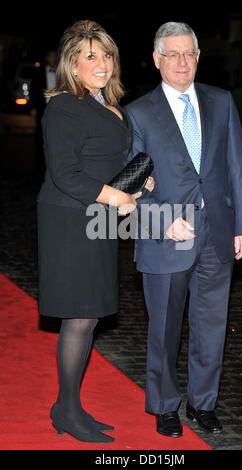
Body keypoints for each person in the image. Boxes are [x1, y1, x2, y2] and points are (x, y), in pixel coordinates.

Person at [125, 22, 242, 437]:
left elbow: (237, 166)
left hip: (218, 234)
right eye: (172, 54)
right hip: (167, 237)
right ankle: (165, 406)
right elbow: (127, 188)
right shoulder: (139, 113)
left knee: (211, 325)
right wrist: (164, 218)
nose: (182, 62)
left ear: (198, 57)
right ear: (156, 60)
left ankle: (203, 404)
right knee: (164, 328)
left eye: (189, 54)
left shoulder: (221, 102)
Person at [37, 20, 142, 443]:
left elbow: (104, 160)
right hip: (70, 217)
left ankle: (69, 407)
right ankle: (67, 410)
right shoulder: (64, 105)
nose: (101, 63)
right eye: (91, 56)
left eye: (107, 55)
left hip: (96, 217)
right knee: (79, 317)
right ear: (73, 65)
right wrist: (116, 198)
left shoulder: (108, 105)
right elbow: (66, 173)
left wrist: (136, 181)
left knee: (92, 313)